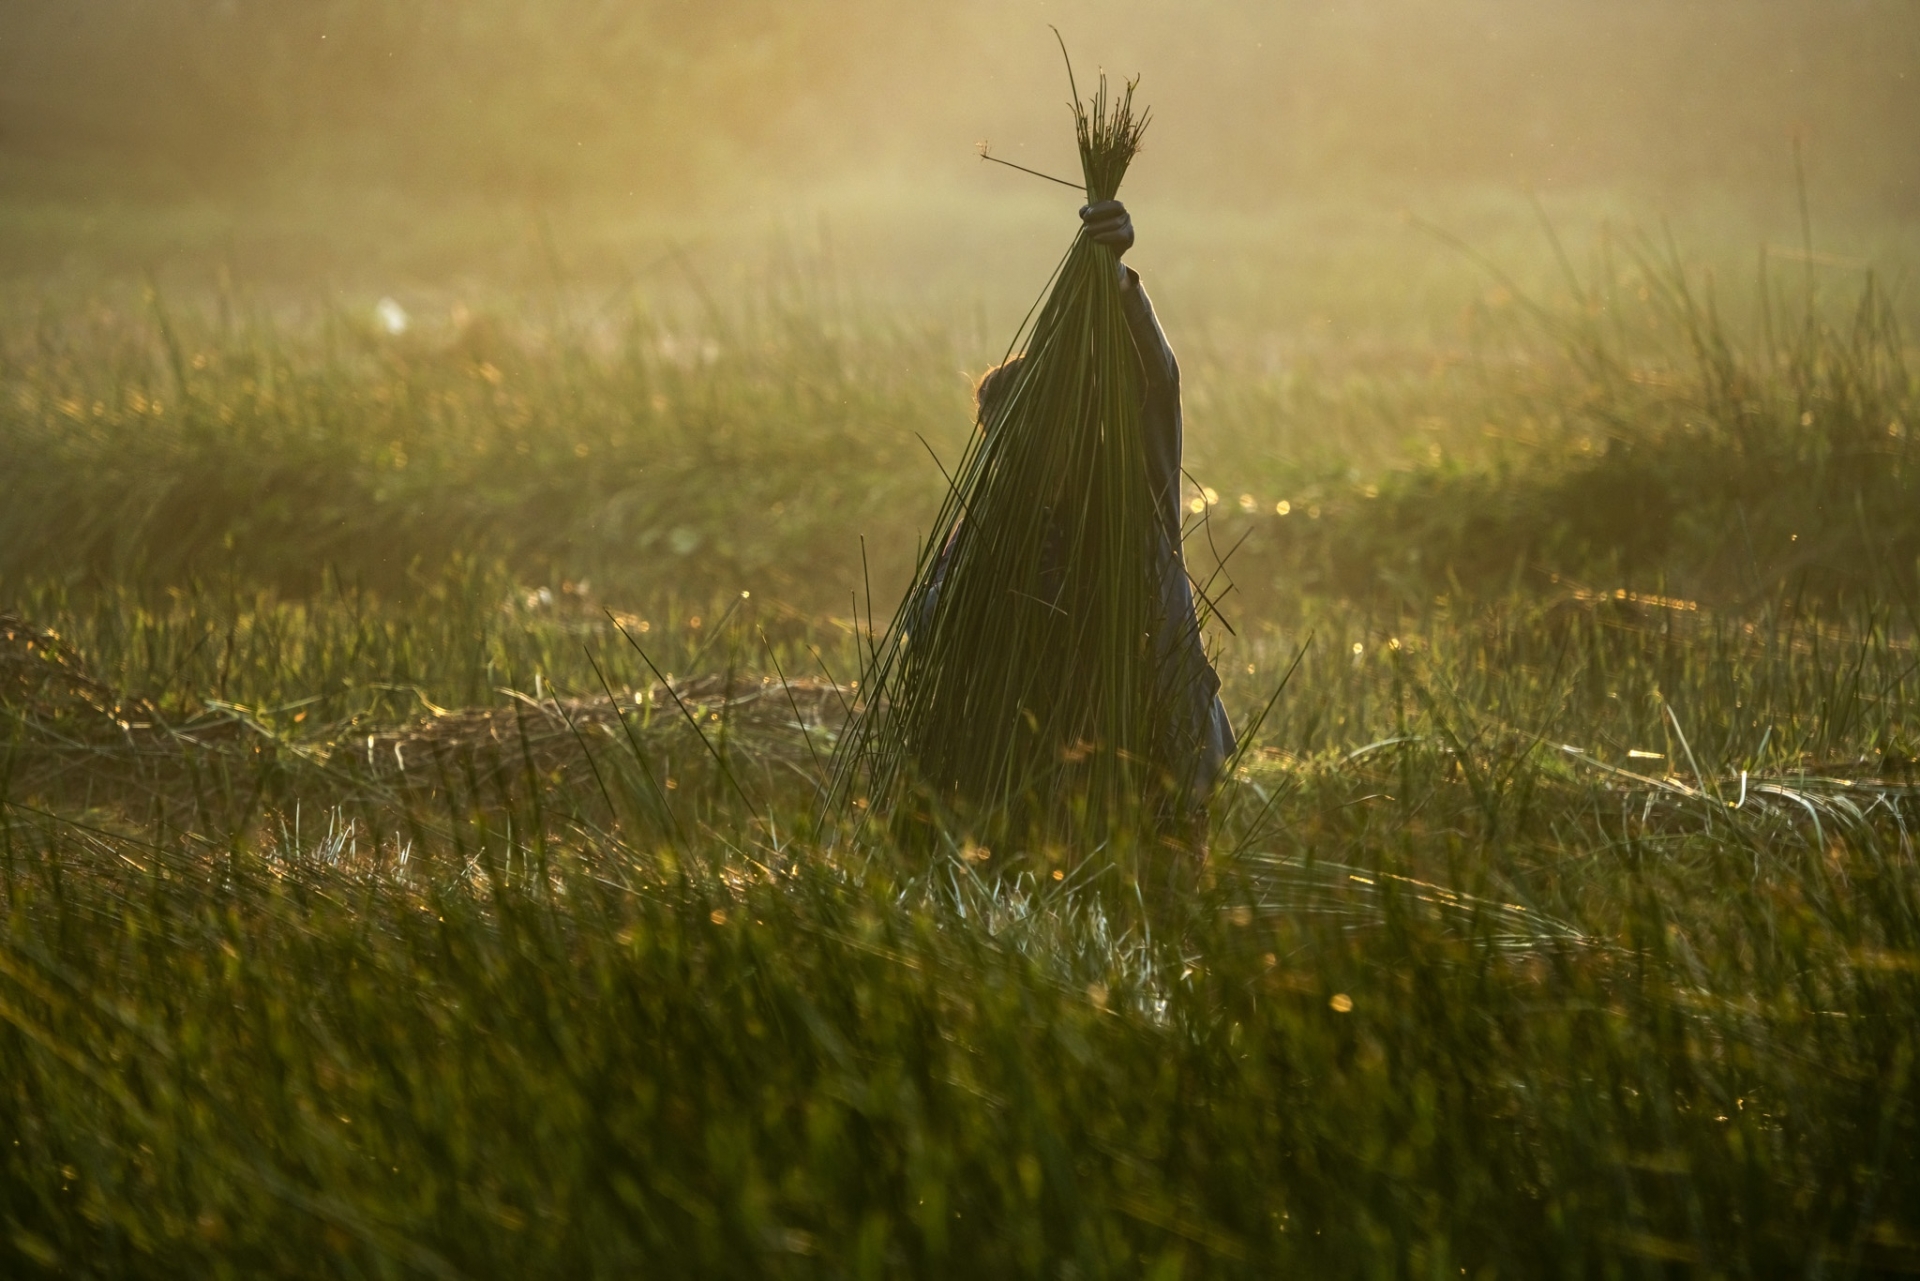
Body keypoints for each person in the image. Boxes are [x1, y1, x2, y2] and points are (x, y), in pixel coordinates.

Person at [919, 200, 1235, 827]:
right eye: (1012, 443)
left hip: (1151, 778)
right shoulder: (983, 535)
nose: (1033, 458)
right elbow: (929, 632)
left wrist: (1118, 283)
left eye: (1044, 436)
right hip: (1027, 792)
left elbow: (1159, 384)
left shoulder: (1132, 501)